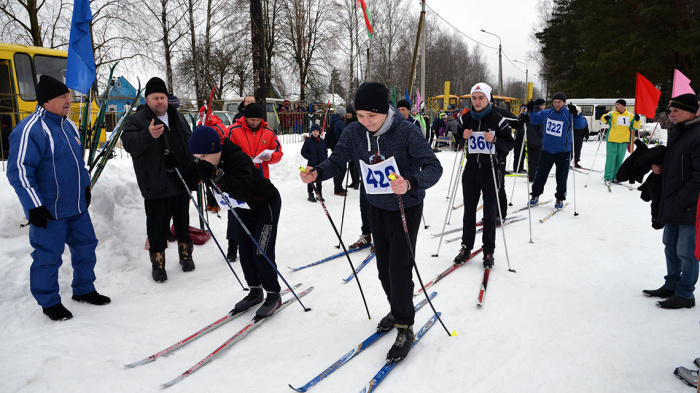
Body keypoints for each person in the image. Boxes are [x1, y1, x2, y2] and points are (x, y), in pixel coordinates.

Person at [300, 82, 442, 363]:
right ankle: (396, 307)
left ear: (385, 112)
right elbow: (338, 161)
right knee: (382, 270)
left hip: (406, 207)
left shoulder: (406, 132)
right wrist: (317, 172)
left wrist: (411, 182)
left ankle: (405, 325)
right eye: (361, 115)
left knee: (399, 270)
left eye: (371, 117)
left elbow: (433, 167)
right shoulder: (354, 132)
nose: (366, 122)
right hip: (376, 207)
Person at [7, 75, 111, 320]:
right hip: (49, 210)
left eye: (68, 96)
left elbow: (78, 163)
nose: (68, 101)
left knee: (86, 247)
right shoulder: (29, 129)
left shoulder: (69, 125)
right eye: (62, 97)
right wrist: (34, 206)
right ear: (46, 101)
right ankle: (49, 301)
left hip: (76, 207)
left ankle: (84, 289)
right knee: (48, 256)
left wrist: (85, 187)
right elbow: (20, 171)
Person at [185, 126, 283, 317]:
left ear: (216, 149)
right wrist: (173, 170)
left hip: (265, 204)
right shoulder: (206, 159)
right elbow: (190, 177)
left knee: (261, 251)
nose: (201, 160)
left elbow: (243, 191)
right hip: (242, 209)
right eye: (197, 157)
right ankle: (255, 290)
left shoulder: (238, 159)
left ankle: (273, 294)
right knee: (245, 252)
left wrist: (217, 175)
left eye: (204, 156)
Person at [122, 77, 196, 282]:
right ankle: (158, 263)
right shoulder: (137, 121)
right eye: (155, 98)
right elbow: (129, 144)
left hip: (180, 181)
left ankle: (186, 254)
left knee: (182, 222)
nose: (159, 102)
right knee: (157, 226)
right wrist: (148, 135)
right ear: (147, 100)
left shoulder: (177, 118)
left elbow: (188, 142)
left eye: (162, 97)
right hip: (155, 183)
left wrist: (193, 169)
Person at [644, 93, 700, 309]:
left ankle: (686, 294)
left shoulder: (697, 135)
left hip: (688, 205)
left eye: (676, 111)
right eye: (671, 110)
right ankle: (672, 284)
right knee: (670, 246)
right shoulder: (678, 131)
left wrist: (683, 199)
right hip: (672, 201)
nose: (671, 115)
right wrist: (661, 167)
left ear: (691, 112)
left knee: (686, 252)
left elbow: (698, 176)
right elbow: (679, 164)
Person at [454, 83, 515, 267]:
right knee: (469, 211)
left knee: (489, 213)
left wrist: (495, 140)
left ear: (488, 99)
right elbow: (457, 141)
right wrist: (462, 137)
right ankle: (466, 247)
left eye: (481, 98)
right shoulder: (465, 118)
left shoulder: (497, 119)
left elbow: (510, 144)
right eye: (474, 98)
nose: (477, 101)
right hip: (471, 169)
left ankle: (488, 250)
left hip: (491, 169)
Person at [227, 102, 283, 262]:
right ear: (245, 118)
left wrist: (271, 157)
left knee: (259, 214)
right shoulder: (233, 130)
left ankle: (256, 246)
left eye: (257, 120)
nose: (254, 123)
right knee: (235, 214)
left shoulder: (268, 132)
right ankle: (232, 245)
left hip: (260, 181)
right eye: (252, 120)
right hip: (238, 180)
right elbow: (224, 149)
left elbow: (278, 151)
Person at [526, 92, 586, 208]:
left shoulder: (568, 114)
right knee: (540, 175)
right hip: (547, 150)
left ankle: (560, 198)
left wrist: (577, 114)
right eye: (554, 102)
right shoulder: (547, 113)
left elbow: (581, 125)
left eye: (559, 102)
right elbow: (533, 120)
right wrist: (531, 110)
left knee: (561, 176)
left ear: (564, 102)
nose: (557, 104)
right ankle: (535, 195)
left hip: (563, 152)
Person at [601, 99, 640, 184]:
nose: (616, 106)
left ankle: (616, 176)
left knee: (619, 160)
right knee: (611, 159)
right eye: (616, 104)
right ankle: (608, 177)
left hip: (623, 140)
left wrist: (637, 120)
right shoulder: (612, 113)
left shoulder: (630, 115)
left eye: (618, 104)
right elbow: (603, 119)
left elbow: (635, 127)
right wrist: (605, 118)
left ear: (623, 105)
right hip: (612, 139)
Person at [301, 124, 328, 202]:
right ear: (311, 132)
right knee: (310, 179)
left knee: (319, 179)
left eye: (317, 131)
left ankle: (319, 194)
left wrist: (325, 160)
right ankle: (310, 194)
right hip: (311, 164)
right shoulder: (308, 141)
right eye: (313, 131)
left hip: (320, 164)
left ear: (319, 132)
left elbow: (325, 152)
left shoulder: (322, 142)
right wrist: (310, 157)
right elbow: (303, 152)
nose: (315, 133)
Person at [328, 106, 348, 196]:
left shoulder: (333, 120)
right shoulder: (339, 123)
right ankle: (338, 189)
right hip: (340, 148)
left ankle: (338, 187)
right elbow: (345, 134)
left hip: (334, 147)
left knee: (338, 167)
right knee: (342, 168)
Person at [525, 98, 546, 181]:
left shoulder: (531, 112)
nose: (544, 106)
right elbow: (541, 129)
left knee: (530, 159)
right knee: (535, 160)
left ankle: (530, 174)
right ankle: (532, 176)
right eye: (544, 105)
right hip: (537, 141)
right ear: (540, 106)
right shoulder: (540, 114)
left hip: (529, 140)